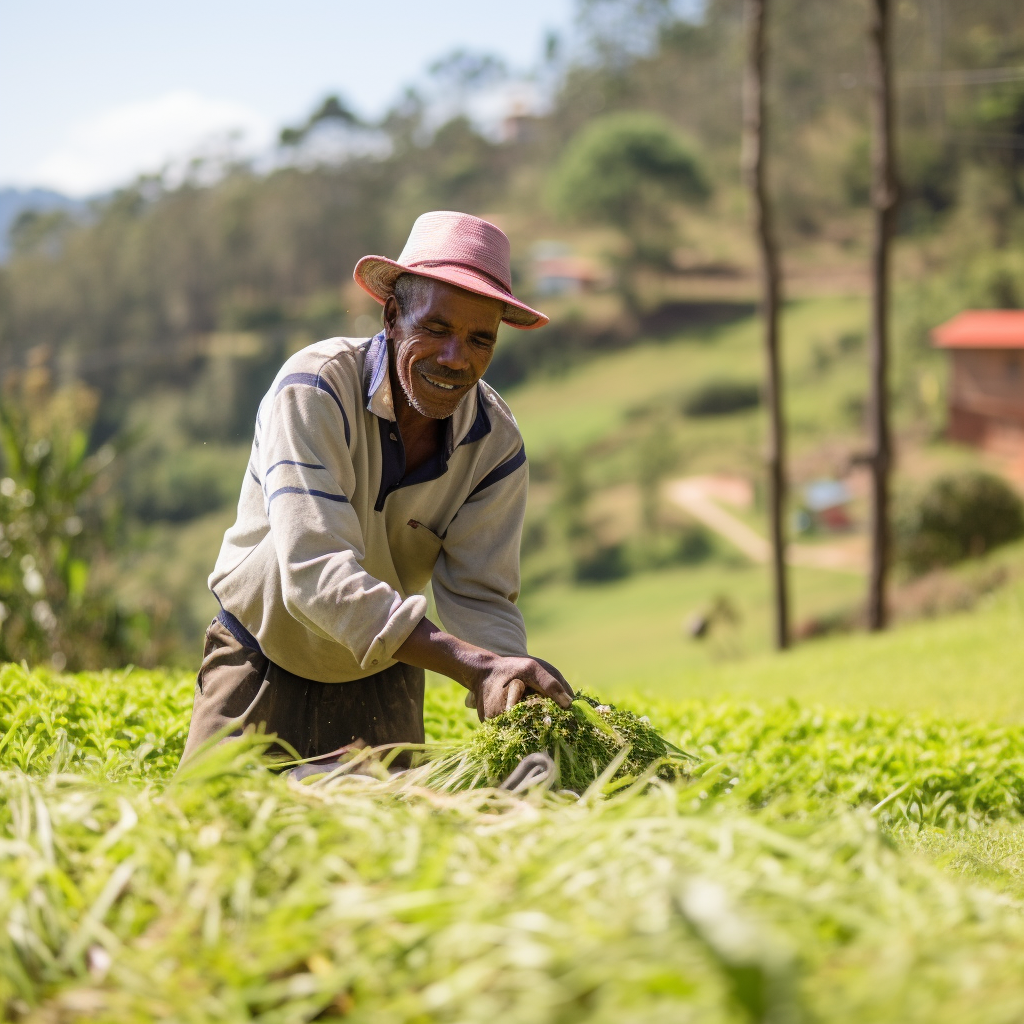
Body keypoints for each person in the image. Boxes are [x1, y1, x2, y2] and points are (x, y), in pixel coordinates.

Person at [181, 211, 574, 764]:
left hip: (383, 672)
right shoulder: (315, 389)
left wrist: (512, 683)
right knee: (207, 833)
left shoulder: (495, 445)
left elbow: (481, 595)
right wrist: (474, 666)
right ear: (392, 316)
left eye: (479, 339)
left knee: (378, 846)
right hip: (261, 657)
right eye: (436, 329)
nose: (455, 358)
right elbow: (314, 573)